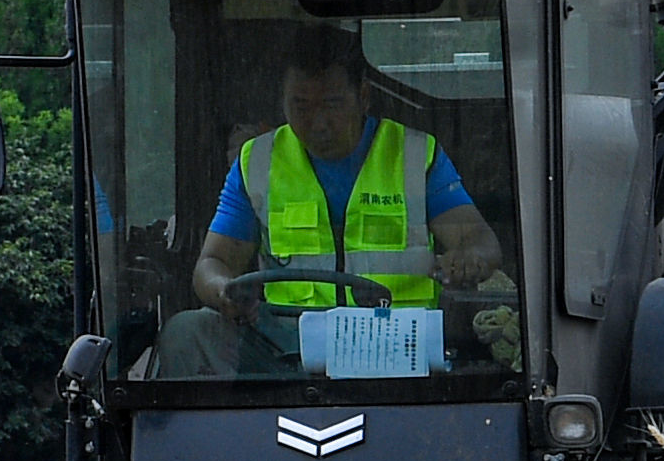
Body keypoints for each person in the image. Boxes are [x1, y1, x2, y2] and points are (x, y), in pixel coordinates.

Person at [173, 29, 506, 371]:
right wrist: (223, 290)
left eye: (331, 104)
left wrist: (469, 258)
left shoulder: (414, 155)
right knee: (186, 330)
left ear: (363, 97)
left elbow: (480, 241)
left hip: (397, 352)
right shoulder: (257, 161)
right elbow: (211, 264)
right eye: (300, 106)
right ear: (282, 101)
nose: (318, 124)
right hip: (286, 355)